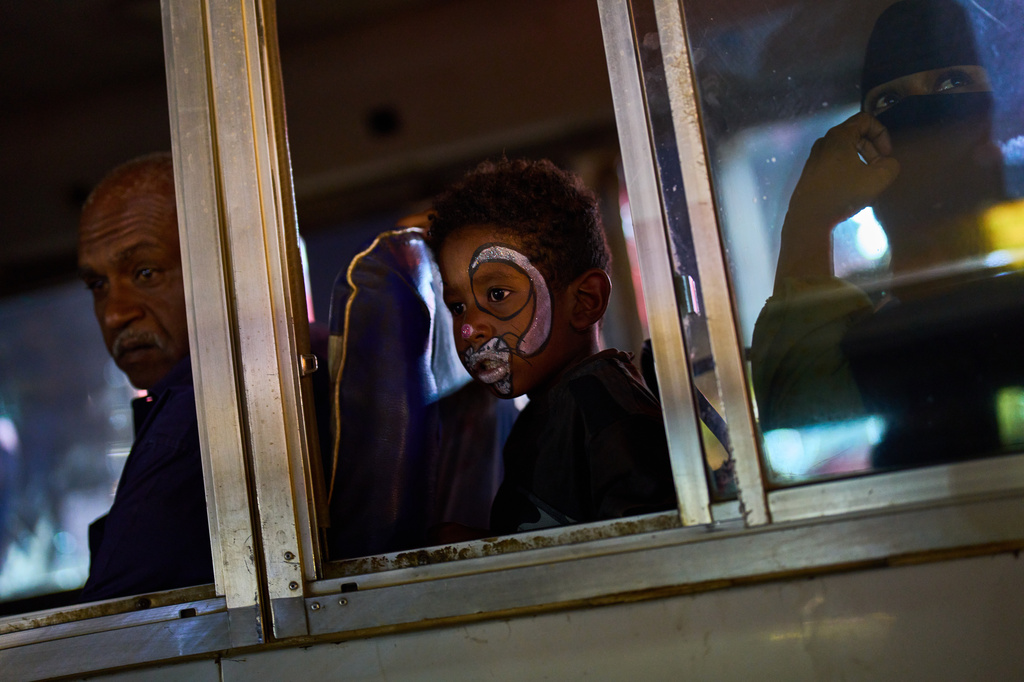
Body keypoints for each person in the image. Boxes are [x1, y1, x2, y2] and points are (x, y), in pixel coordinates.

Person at [751, 0, 1023, 470]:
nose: (921, 112)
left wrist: (807, 226)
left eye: (952, 82)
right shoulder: (870, 341)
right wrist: (808, 222)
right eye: (889, 102)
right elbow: (796, 414)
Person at [428, 158, 676, 535]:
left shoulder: (605, 411)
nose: (468, 329)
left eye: (497, 294)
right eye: (457, 307)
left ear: (585, 301)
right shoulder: (544, 413)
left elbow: (645, 558)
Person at [76, 153, 213, 600]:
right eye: (98, 285)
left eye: (146, 272)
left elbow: (102, 631)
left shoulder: (200, 413)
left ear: (216, 265)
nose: (115, 313)